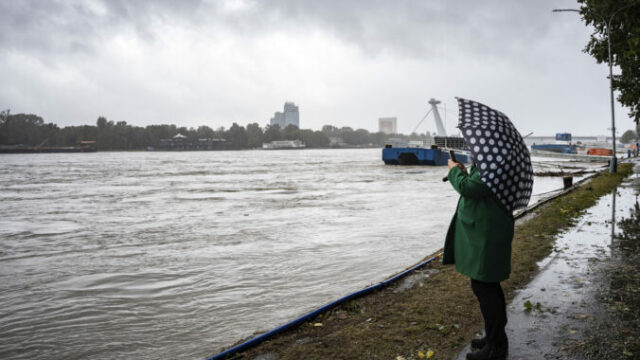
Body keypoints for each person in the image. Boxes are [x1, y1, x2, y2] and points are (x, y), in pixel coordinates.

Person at [443, 159, 514, 360]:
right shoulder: (492, 162)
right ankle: (495, 337)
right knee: (489, 285)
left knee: (485, 287)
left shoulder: (491, 163)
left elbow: (469, 188)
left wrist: (454, 172)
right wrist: (465, 172)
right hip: (487, 230)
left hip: (487, 233)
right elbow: (476, 184)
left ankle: (496, 348)